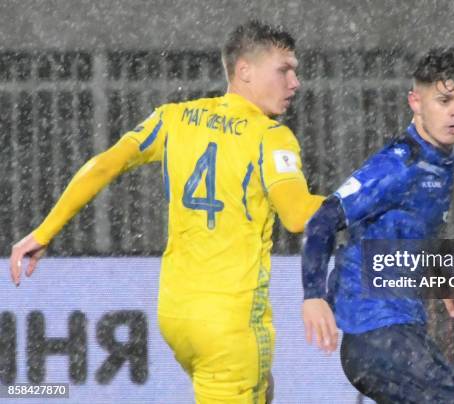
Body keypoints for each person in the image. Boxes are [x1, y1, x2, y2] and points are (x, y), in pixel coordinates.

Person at [9, 20, 324, 404]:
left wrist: (43, 232)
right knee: (243, 375)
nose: (295, 83)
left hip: (177, 316)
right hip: (229, 323)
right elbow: (298, 216)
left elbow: (105, 165)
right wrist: (366, 198)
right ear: (244, 71)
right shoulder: (271, 137)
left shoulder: (173, 118)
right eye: (284, 70)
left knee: (261, 386)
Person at [301, 48, 454, 403]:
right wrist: (313, 296)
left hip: (400, 331)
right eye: (444, 100)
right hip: (377, 335)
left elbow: (408, 230)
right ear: (415, 101)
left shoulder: (444, 159)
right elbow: (322, 220)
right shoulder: (397, 166)